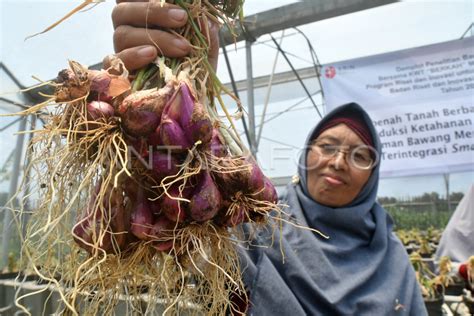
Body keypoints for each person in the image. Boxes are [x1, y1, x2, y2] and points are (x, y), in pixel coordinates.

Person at [111, 2, 428, 315]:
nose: (338, 162)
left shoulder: (393, 259)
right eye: (328, 147)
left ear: (373, 175)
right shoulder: (259, 220)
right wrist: (181, 100)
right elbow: (181, 215)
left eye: (359, 156)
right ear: (306, 155)